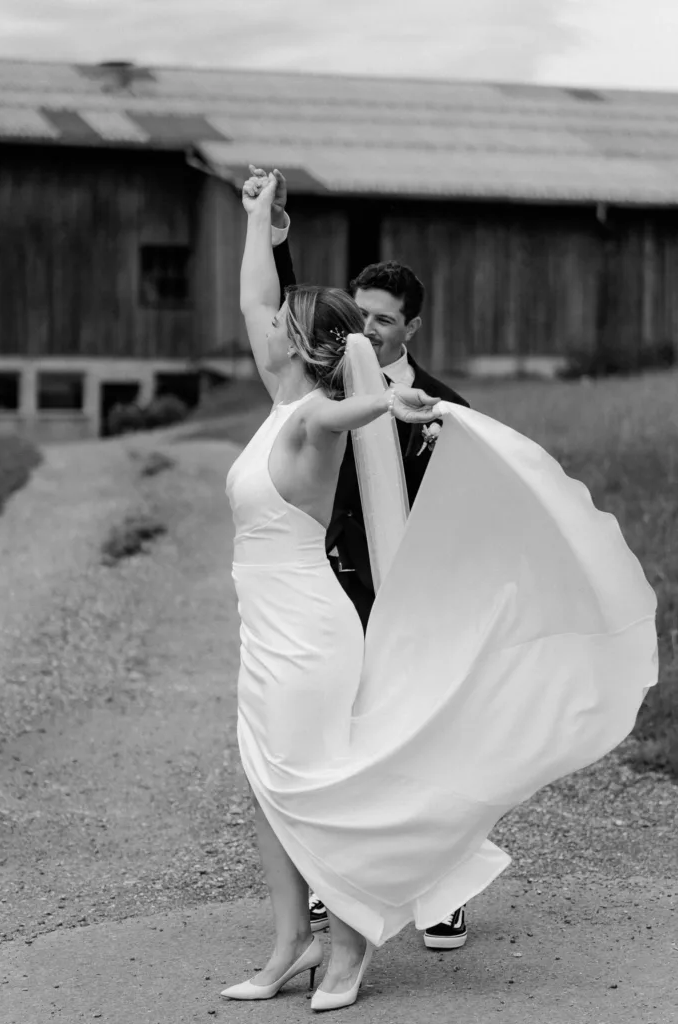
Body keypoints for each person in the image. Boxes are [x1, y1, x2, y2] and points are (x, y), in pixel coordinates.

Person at [221, 172, 657, 1012]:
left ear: (311, 348)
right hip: (262, 624)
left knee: (325, 781)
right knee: (267, 783)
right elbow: (253, 297)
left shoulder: (317, 414)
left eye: (282, 325)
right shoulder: (282, 398)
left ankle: (347, 947)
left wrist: (395, 397)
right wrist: (255, 225)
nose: (265, 327)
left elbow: (352, 413)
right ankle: (289, 944)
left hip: (312, 626)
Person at [262, 165, 472, 951]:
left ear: (409, 328)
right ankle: (339, 881)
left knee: (424, 739)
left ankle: (440, 890)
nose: (373, 328)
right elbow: (286, 316)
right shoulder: (316, 394)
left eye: (388, 320)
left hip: (415, 597)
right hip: (331, 589)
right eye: (365, 314)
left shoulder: (446, 407)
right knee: (340, 737)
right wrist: (275, 240)